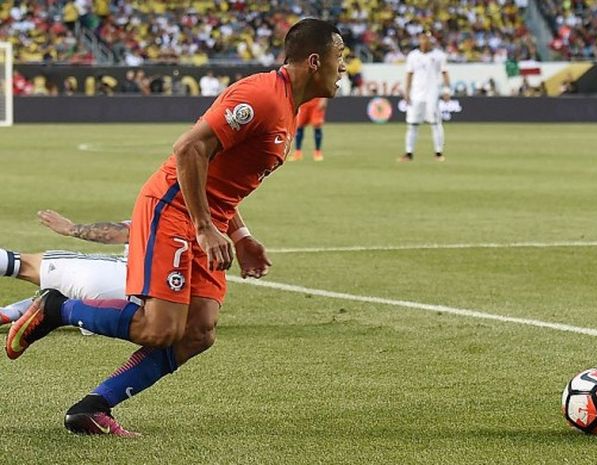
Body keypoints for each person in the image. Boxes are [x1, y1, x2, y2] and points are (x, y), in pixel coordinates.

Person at [6, 18, 346, 438]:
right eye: (340, 56)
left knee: (199, 331)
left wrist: (239, 236)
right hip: (173, 210)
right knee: (160, 328)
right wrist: (204, 225)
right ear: (315, 61)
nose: (344, 66)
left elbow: (219, 175)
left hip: (207, 220)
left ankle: (92, 408)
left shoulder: (288, 108)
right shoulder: (261, 96)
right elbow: (188, 149)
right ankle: (58, 308)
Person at [0, 210, 131, 326]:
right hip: (134, 310)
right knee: (62, 299)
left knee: (25, 265)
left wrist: (71, 228)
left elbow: (121, 233)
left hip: (117, 278)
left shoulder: (151, 201)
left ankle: (12, 312)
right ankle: (12, 312)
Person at [399, 32, 451, 162]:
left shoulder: (439, 55)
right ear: (419, 40)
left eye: (427, 39)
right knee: (412, 124)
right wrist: (406, 90)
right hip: (416, 93)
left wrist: (446, 89)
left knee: (435, 122)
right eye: (423, 38)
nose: (425, 41)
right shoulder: (413, 56)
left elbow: (445, 73)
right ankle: (409, 153)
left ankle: (438, 152)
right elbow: (409, 74)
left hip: (432, 93)